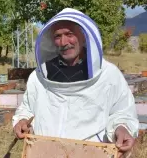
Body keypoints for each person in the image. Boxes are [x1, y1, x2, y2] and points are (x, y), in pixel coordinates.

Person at [12, 8, 139, 157]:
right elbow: (27, 108)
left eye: (69, 34)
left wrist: (122, 128)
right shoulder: (40, 76)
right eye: (57, 36)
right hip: (46, 152)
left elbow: (122, 112)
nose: (63, 42)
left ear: (84, 36)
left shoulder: (109, 75)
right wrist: (22, 121)